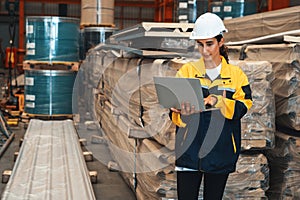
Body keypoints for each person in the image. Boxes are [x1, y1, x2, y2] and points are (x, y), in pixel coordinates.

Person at [170, 12, 253, 200]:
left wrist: (218, 101)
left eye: (209, 44)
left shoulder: (236, 75)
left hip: (220, 150)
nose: (204, 50)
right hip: (189, 151)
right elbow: (175, 113)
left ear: (221, 41)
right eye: (200, 44)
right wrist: (177, 111)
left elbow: (243, 107)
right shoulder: (187, 71)